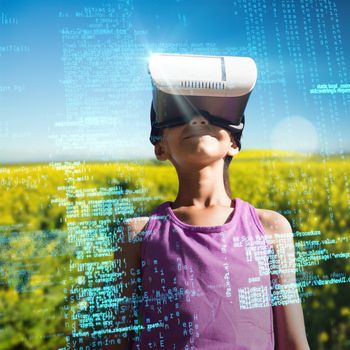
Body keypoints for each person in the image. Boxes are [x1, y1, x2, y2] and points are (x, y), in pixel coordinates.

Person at [109, 55, 310, 349]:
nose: (198, 119)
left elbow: (294, 342)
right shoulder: (136, 234)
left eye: (215, 114)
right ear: (160, 146)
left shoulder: (271, 229)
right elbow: (116, 338)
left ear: (234, 143)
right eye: (178, 112)